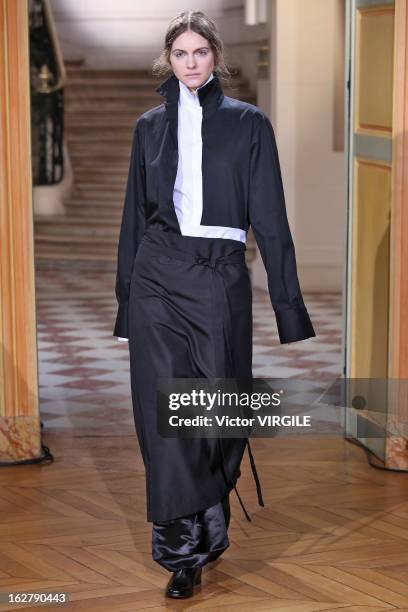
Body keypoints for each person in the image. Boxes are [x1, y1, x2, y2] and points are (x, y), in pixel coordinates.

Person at [113, 9, 315, 600]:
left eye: (201, 52)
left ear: (216, 57)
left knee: (219, 414)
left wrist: (289, 307)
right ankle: (182, 552)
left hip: (220, 276)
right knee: (166, 415)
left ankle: (208, 529)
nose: (192, 62)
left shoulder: (249, 125)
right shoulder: (148, 127)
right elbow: (133, 221)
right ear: (168, 61)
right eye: (181, 54)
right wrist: (127, 305)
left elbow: (271, 219)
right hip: (157, 276)